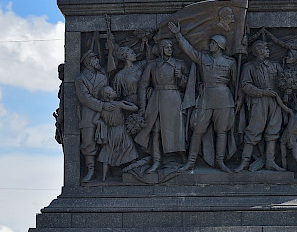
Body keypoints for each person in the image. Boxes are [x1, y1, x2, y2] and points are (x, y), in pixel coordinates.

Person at [168, 21, 238, 173]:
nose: (209, 45)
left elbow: (235, 83)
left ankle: (220, 161)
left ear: (219, 46)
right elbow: (189, 51)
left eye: (212, 43)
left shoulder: (231, 62)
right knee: (198, 129)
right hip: (206, 97)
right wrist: (178, 35)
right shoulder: (203, 58)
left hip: (224, 99)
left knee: (222, 131)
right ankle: (190, 162)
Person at [136, 39, 188, 173]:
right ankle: (156, 161)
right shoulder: (152, 65)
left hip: (173, 99)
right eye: (166, 47)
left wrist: (181, 78)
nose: (170, 49)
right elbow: (143, 85)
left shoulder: (179, 64)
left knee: (177, 130)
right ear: (160, 49)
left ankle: (183, 158)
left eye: (171, 47)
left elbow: (188, 86)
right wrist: (143, 107)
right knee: (155, 130)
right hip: (157, 98)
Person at [235, 40, 284, 172]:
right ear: (259, 51)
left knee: (273, 130)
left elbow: (283, 80)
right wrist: (262, 92)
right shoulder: (249, 67)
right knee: (253, 130)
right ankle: (244, 162)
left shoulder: (275, 65)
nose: (268, 50)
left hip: (275, 100)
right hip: (258, 101)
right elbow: (245, 85)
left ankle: (270, 162)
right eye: (265, 48)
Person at [76, 50, 113, 182]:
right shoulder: (80, 78)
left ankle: (107, 171)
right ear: (88, 62)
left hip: (105, 112)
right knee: (88, 142)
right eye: (95, 59)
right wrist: (102, 105)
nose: (98, 61)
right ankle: (90, 169)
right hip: (88, 113)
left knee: (107, 141)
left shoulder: (102, 76)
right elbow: (84, 97)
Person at [95, 85, 140, 181]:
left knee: (107, 153)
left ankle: (104, 177)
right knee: (129, 148)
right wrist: (126, 102)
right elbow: (135, 108)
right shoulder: (119, 104)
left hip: (110, 132)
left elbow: (95, 120)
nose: (115, 91)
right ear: (109, 95)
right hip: (121, 130)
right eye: (112, 91)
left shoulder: (102, 108)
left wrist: (102, 123)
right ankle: (135, 168)